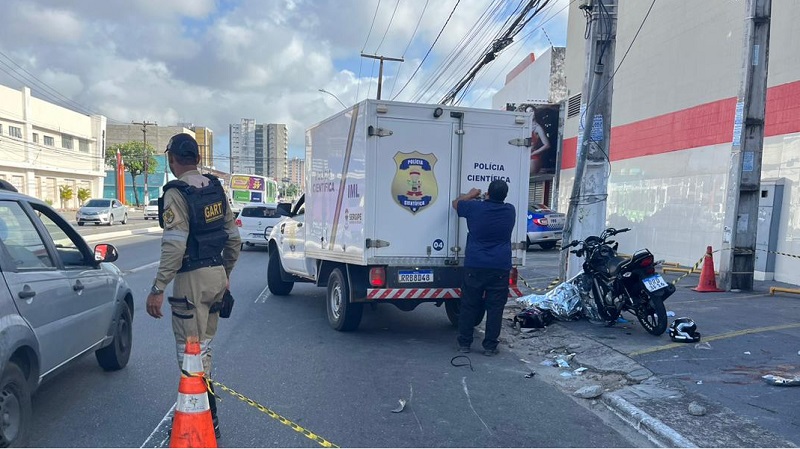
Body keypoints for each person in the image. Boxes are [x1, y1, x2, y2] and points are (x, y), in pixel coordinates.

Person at [146, 133, 241, 438]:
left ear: (172, 159)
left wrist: (158, 288)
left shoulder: (176, 192)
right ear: (198, 159)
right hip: (215, 275)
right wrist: (224, 275)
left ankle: (200, 418)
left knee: (188, 352)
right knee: (205, 348)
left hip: (191, 281)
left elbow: (174, 247)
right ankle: (206, 413)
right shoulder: (216, 188)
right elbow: (234, 240)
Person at [451, 179, 516, 356]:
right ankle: (490, 346)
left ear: (488, 193)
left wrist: (471, 194)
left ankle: (464, 344)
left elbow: (456, 204)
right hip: (499, 266)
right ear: (505, 195)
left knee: (469, 305)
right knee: (495, 308)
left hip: (475, 264)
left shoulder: (475, 207)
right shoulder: (510, 210)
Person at [529, 107, 552, 176]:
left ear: (535, 112)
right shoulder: (525, 125)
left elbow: (547, 145)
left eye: (531, 111)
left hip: (533, 158)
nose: (529, 113)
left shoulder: (537, 128)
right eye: (527, 112)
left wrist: (533, 153)